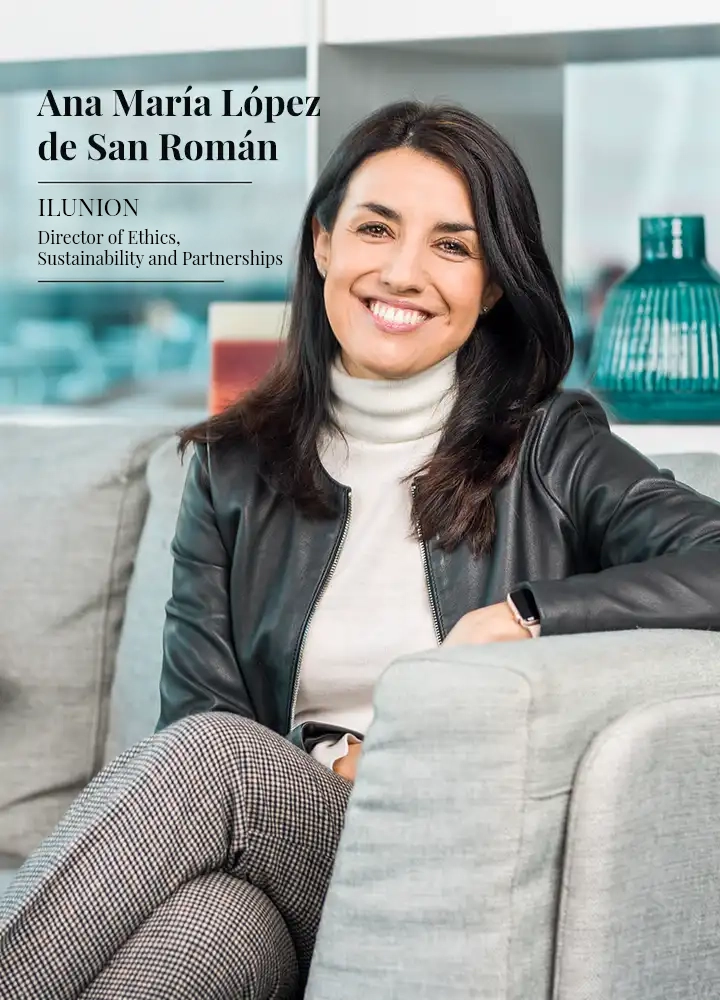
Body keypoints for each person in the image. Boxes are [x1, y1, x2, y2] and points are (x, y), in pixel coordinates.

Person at [2, 99, 720, 1000]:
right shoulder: (234, 470)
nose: (405, 272)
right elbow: (196, 719)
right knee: (203, 934)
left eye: (452, 246)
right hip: (284, 861)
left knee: (213, 759)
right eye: (377, 229)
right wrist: (330, 764)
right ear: (323, 246)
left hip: (445, 844)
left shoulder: (551, 449)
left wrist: (529, 618)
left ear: (492, 286)